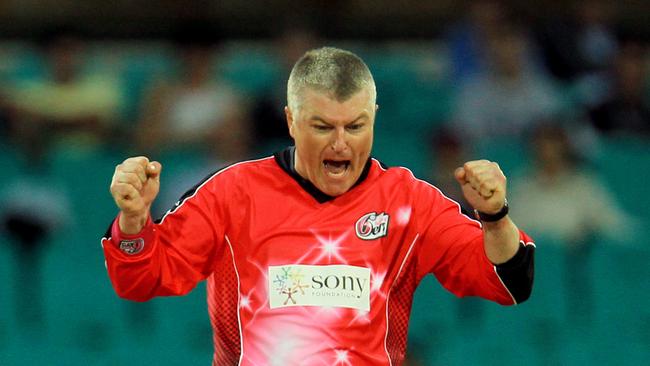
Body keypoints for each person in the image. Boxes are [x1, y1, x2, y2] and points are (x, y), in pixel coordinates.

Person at [102, 47, 535, 365]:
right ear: (291, 120)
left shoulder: (410, 202)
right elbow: (141, 280)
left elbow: (509, 282)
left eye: (356, 126)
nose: (341, 143)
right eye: (323, 126)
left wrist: (495, 217)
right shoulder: (230, 194)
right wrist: (135, 220)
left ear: (375, 118)